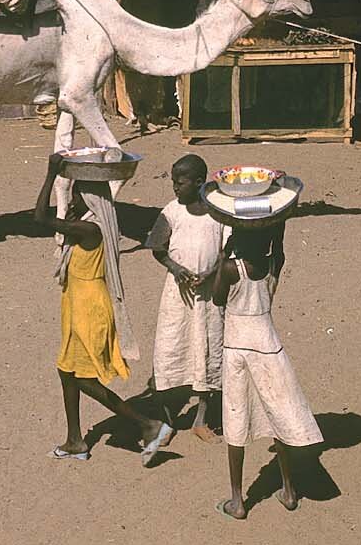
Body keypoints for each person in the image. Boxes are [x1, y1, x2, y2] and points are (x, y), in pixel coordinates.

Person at [33, 152, 173, 463]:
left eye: (76, 193)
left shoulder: (90, 230)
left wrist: (50, 175)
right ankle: (74, 440)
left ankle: (148, 425)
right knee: (66, 371)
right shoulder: (84, 223)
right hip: (76, 303)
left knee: (83, 377)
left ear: (90, 199)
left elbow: (39, 218)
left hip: (89, 307)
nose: (72, 199)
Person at [203, 178, 322, 521]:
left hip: (238, 347)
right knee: (278, 417)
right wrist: (279, 212)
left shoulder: (230, 268)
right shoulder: (272, 264)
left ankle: (238, 499)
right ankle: (288, 489)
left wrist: (224, 254)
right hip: (269, 345)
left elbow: (217, 298)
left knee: (236, 421)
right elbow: (279, 243)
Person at [145, 154, 228, 443]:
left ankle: (201, 420)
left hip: (208, 298)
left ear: (199, 183)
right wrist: (177, 269)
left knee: (207, 353)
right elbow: (157, 247)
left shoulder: (218, 213)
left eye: (180, 183)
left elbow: (225, 252)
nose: (175, 188)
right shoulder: (172, 212)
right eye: (173, 182)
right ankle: (167, 422)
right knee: (170, 354)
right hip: (177, 297)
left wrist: (211, 273)